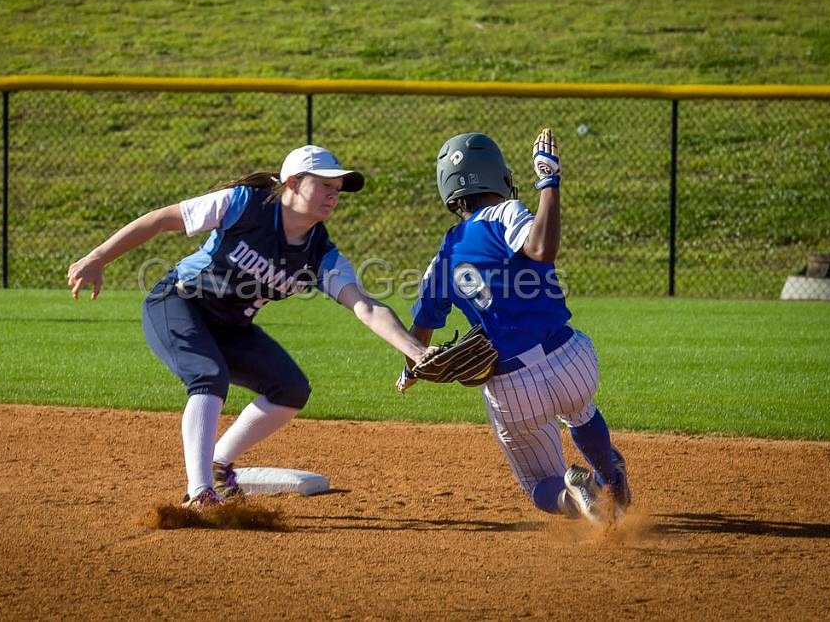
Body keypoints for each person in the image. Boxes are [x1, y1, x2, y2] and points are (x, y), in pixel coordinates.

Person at [68, 145, 431, 508]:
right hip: (178, 302)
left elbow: (365, 307)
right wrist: (97, 258)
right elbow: (161, 219)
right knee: (209, 376)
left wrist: (417, 351)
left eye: (337, 188)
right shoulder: (244, 204)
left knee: (290, 389)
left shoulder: (321, 254)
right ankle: (200, 493)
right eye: (324, 185)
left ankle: (219, 463)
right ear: (292, 183)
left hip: (231, 328)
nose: (334, 194)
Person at [396, 129, 631, 524]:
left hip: (512, 387)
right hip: (571, 360)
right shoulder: (505, 213)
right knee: (582, 412)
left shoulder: (442, 260)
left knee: (540, 483)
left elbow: (418, 335)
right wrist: (548, 182)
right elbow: (542, 249)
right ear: (497, 175)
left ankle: (575, 496)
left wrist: (410, 369)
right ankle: (611, 480)